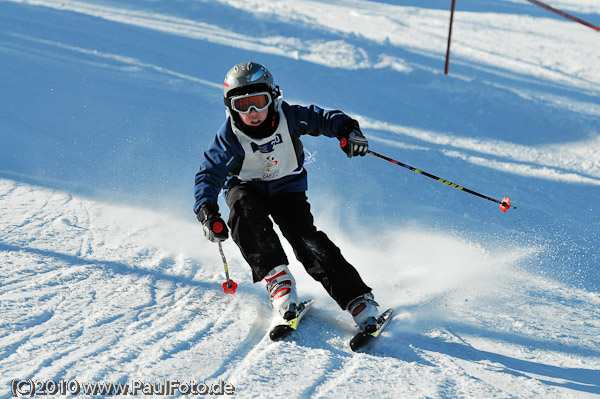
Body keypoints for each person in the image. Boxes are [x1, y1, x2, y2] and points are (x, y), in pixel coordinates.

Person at [193, 61, 380, 332]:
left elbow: (325, 119)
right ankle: (279, 281)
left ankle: (358, 299)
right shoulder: (228, 138)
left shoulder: (289, 116)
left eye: (259, 101)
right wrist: (207, 212)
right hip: (247, 187)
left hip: (288, 189)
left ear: (274, 97)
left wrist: (347, 131)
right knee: (243, 213)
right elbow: (208, 175)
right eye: (243, 106)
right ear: (230, 108)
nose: (254, 112)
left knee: (307, 241)